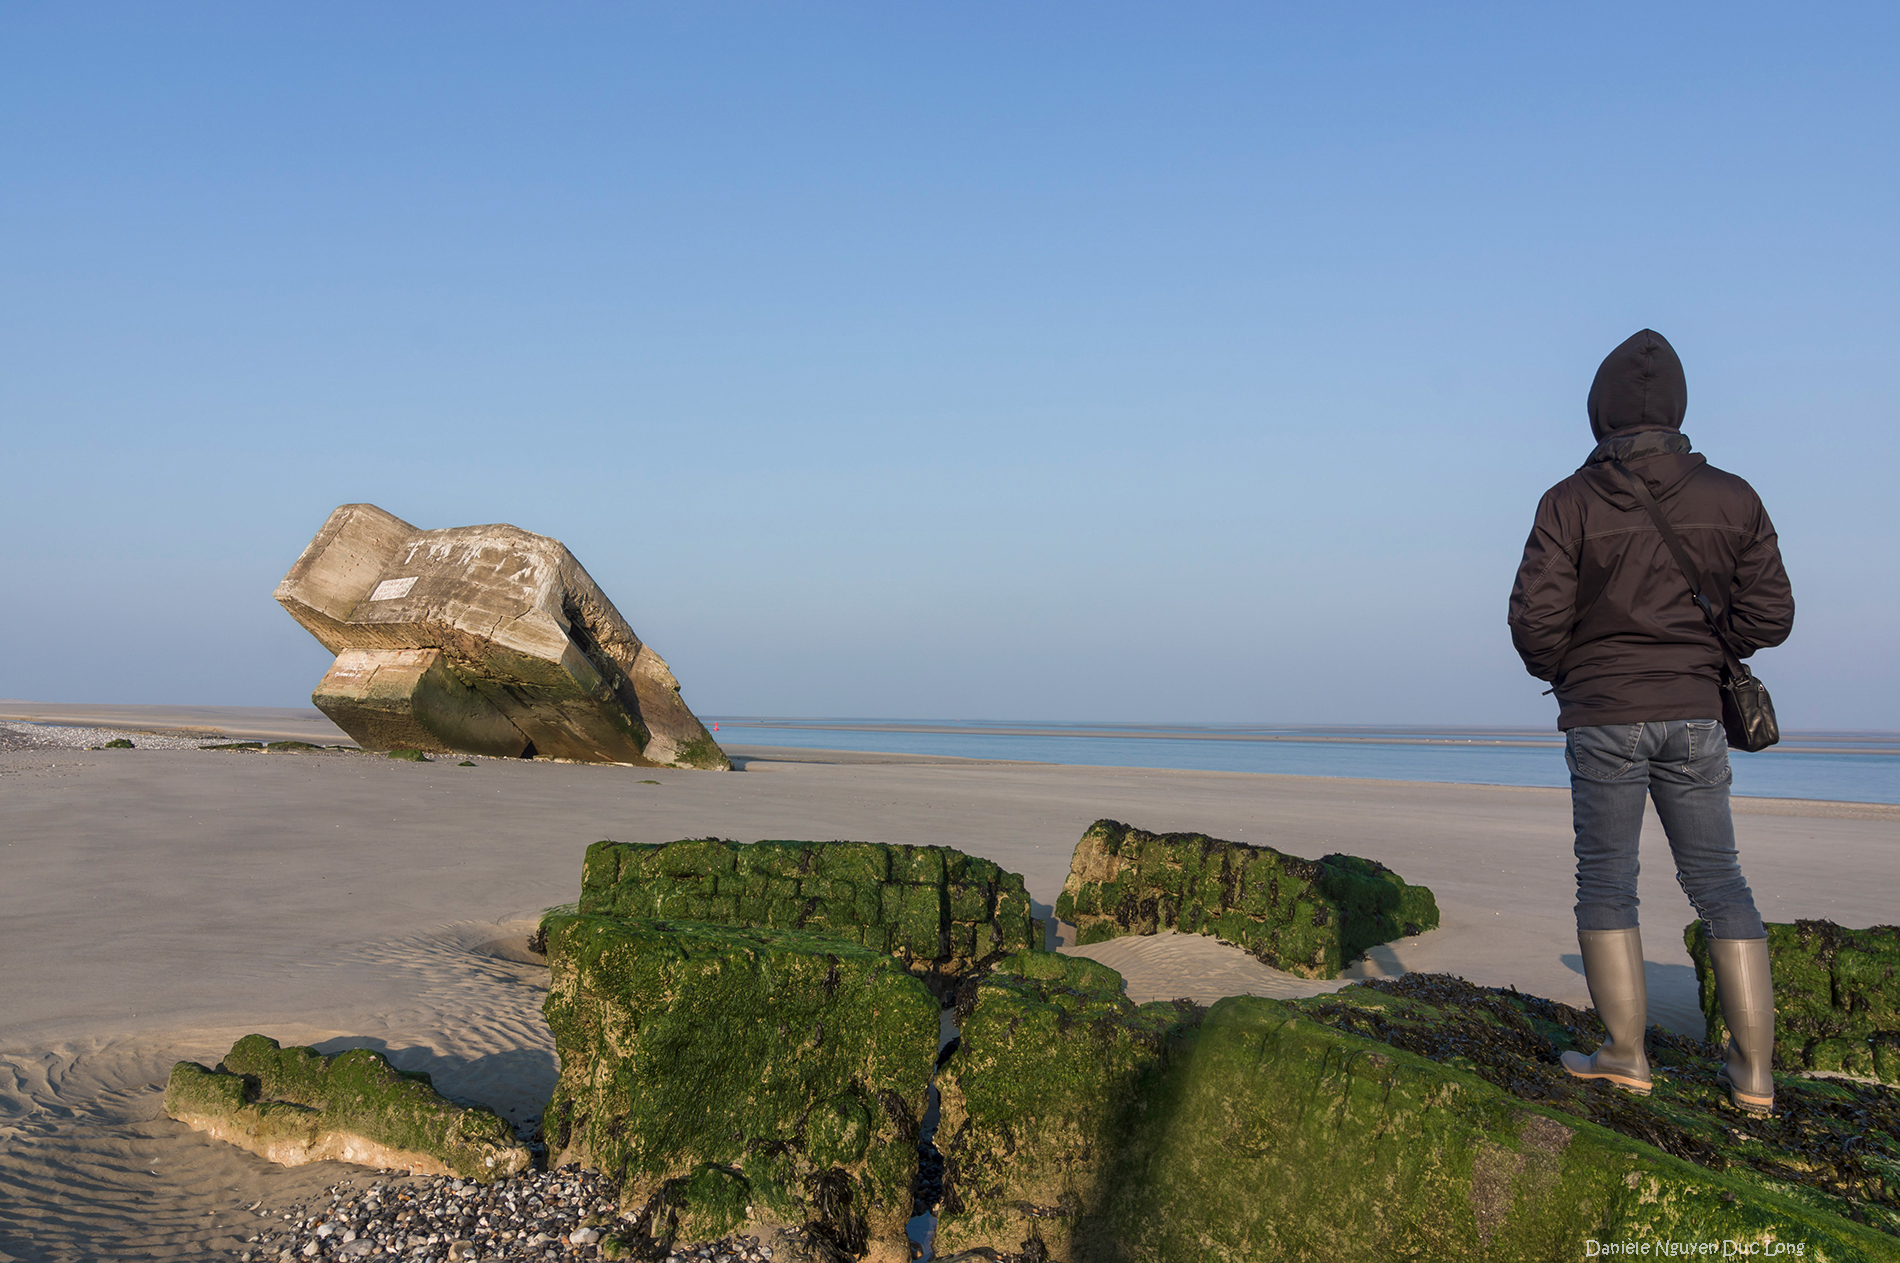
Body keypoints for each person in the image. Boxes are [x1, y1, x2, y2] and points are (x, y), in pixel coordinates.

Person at [1507, 329, 1794, 1115]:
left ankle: (1625, 1055)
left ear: (1600, 408)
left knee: (1607, 879)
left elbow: (1534, 624)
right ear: (1676, 408)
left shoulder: (1568, 500)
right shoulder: (1734, 496)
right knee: (1720, 883)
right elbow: (1772, 613)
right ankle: (1755, 1075)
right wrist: (1706, 652)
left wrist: (1572, 670)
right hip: (1695, 713)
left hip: (1604, 714)